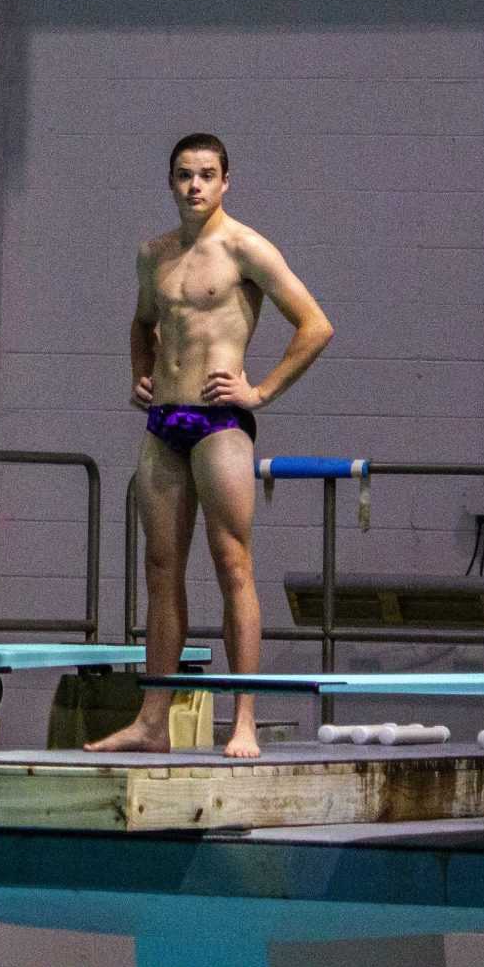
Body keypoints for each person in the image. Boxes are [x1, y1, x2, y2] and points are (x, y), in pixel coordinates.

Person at [90, 133, 335, 759]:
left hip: (220, 425)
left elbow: (315, 325)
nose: (195, 186)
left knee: (233, 566)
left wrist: (260, 392)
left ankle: (245, 718)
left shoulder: (245, 247)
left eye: (206, 175)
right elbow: (143, 321)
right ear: (170, 182)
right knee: (160, 569)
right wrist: (138, 373)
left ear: (227, 181)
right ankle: (152, 720)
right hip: (164, 423)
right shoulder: (154, 254)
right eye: (183, 175)